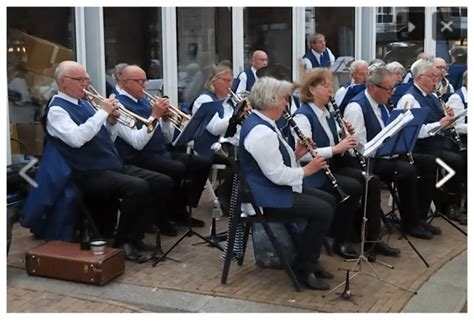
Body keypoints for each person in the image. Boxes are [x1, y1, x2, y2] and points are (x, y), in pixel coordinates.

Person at [45, 61, 174, 261]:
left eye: (86, 79)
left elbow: (107, 138)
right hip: (86, 172)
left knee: (162, 182)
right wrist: (103, 113)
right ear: (63, 82)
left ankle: (135, 234)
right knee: (138, 187)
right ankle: (123, 242)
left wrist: (111, 124)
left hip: (110, 165)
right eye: (80, 80)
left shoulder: (85, 103)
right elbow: (77, 139)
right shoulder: (57, 110)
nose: (85, 84)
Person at [240, 76, 335, 290]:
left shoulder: (266, 123)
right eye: (285, 98)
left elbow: (278, 163)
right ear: (272, 100)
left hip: (273, 188)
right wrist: (307, 170)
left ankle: (307, 258)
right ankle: (304, 269)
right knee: (322, 211)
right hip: (264, 198)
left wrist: (299, 153)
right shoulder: (260, 132)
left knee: (328, 200)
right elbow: (276, 174)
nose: (287, 103)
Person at [294, 68, 400, 260]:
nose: (331, 91)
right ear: (311, 90)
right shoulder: (303, 116)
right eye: (325, 86)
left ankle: (371, 240)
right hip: (314, 174)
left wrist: (344, 137)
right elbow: (304, 156)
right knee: (352, 187)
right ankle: (341, 239)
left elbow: (338, 145)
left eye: (331, 86)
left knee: (371, 181)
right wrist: (336, 148)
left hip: (333, 168)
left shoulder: (327, 113)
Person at [344, 67, 439, 240]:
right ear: (372, 87)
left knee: (428, 162)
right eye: (388, 89)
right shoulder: (356, 108)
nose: (392, 93)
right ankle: (410, 223)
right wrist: (383, 144)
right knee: (407, 170)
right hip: (368, 161)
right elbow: (356, 149)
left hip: (385, 155)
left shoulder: (384, 105)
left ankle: (419, 217)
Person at [114, 65, 211, 231]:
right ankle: (160, 216)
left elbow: (167, 138)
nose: (144, 85)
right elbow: (137, 143)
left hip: (160, 152)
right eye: (139, 81)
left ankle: (180, 209)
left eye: (145, 81)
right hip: (136, 157)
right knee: (177, 168)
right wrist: (155, 116)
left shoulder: (145, 101)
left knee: (202, 163)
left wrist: (165, 120)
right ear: (125, 83)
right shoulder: (119, 105)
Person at [397, 59, 466, 224]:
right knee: (455, 162)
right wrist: (439, 123)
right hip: (420, 148)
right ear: (419, 77)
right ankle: (445, 201)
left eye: (437, 77)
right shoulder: (409, 99)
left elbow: (441, 122)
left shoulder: (433, 95)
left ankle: (445, 200)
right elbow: (411, 132)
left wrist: (448, 118)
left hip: (437, 143)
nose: (436, 80)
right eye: (432, 76)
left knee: (462, 156)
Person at [191, 64, 238, 158]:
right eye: (226, 80)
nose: (230, 84)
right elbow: (215, 129)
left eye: (231, 81)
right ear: (214, 81)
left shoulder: (231, 101)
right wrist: (237, 115)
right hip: (212, 151)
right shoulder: (204, 100)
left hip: (232, 148)